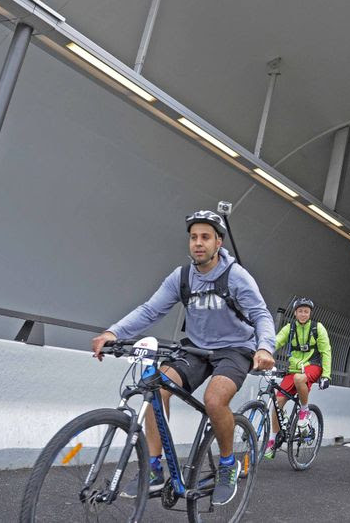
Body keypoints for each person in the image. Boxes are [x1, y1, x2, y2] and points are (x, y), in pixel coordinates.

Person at [90, 209, 276, 506]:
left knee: (215, 400)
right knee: (156, 387)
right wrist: (113, 332)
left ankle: (228, 464)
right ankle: (153, 470)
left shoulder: (236, 276)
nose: (198, 243)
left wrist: (265, 347)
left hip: (235, 349)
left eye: (205, 237)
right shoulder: (182, 277)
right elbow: (151, 310)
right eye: (193, 237)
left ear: (218, 243)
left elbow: (260, 314)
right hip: (196, 348)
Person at [265, 297, 332, 458]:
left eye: (306, 311)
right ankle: (273, 440)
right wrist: (264, 352)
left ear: (310, 313)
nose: (303, 314)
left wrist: (326, 375)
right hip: (293, 369)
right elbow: (276, 342)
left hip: (313, 366)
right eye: (300, 311)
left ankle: (304, 411)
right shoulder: (290, 328)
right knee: (277, 402)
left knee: (300, 379)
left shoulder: (318, 328)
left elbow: (326, 351)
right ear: (295, 313)